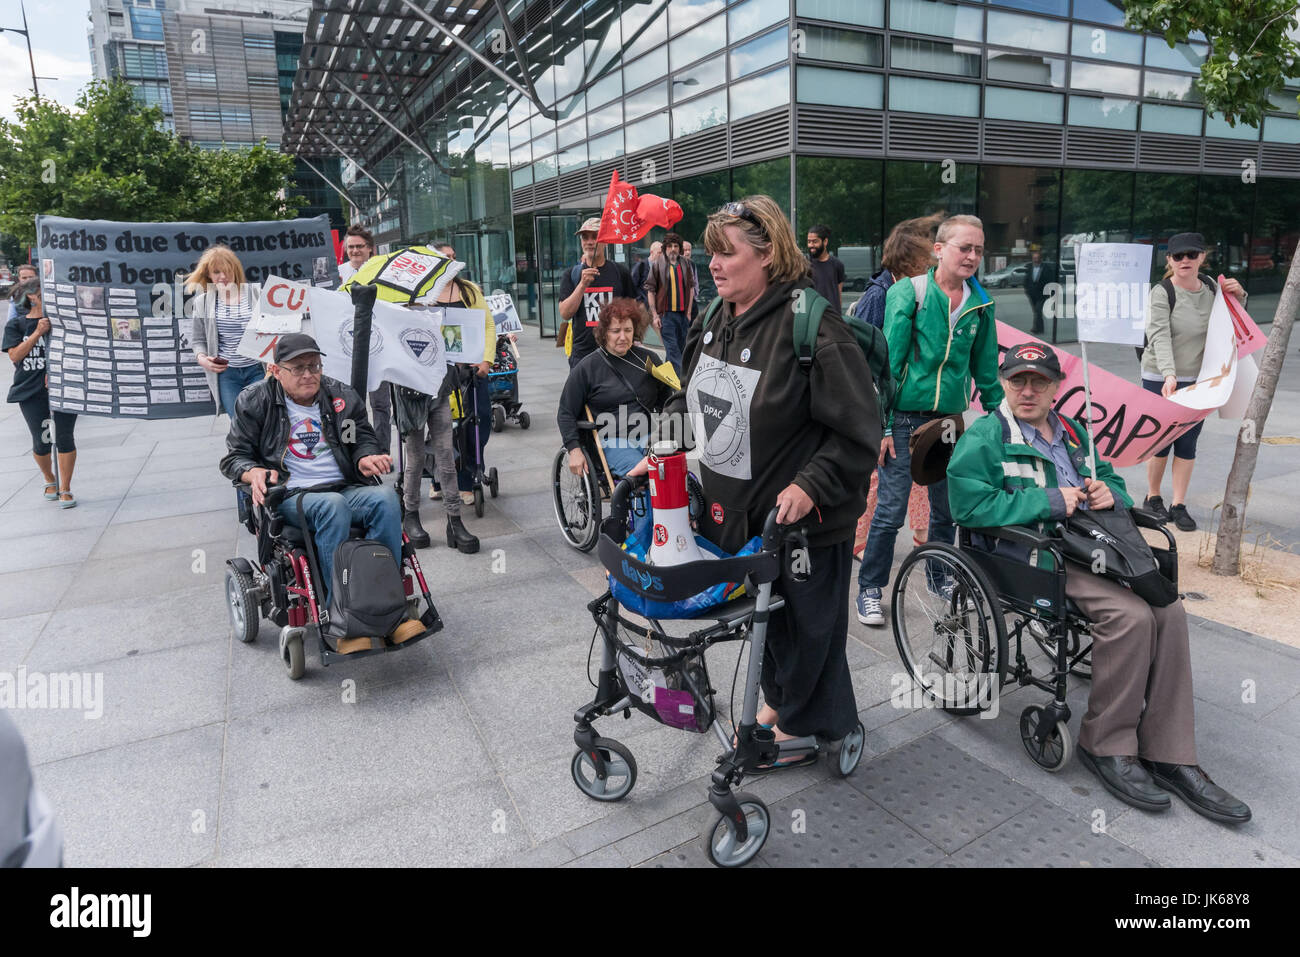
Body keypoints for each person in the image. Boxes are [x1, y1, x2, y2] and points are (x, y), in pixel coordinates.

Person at [947, 342, 1250, 824]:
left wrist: (1112, 491)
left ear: (1055, 387)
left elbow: (1108, 476)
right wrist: (1048, 502)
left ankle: (1169, 751)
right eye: (1018, 380)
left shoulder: (1070, 429)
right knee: (1129, 617)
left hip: (1094, 545)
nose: (1028, 390)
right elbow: (967, 507)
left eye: (1039, 381)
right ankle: (1105, 743)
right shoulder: (985, 436)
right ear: (1003, 383)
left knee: (1168, 609)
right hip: (1034, 557)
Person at [660, 196, 879, 763]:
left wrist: (810, 484)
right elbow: (697, 404)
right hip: (739, 521)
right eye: (710, 253)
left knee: (809, 629)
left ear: (767, 254)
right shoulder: (715, 319)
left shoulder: (811, 323)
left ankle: (807, 726)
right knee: (771, 624)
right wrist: (666, 455)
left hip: (806, 524)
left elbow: (859, 429)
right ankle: (782, 705)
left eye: (725, 253)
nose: (712, 264)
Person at [219, 333, 420, 654]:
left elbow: (360, 437)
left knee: (385, 499)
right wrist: (252, 471)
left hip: (344, 487)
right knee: (333, 506)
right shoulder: (255, 402)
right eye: (298, 368)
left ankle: (388, 608)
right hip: (289, 495)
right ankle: (338, 617)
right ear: (275, 370)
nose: (309, 374)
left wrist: (364, 456)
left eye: (314, 366)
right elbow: (233, 457)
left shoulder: (339, 396)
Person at [856, 214, 1003, 627]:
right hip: (904, 418)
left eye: (978, 249)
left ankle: (940, 578)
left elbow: (987, 370)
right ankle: (870, 587)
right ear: (939, 250)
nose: (972, 256)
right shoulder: (910, 292)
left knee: (946, 510)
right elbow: (887, 365)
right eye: (964, 247)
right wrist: (884, 426)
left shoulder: (981, 303)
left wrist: (1002, 420)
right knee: (890, 509)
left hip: (950, 422)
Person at [1140, 232, 1247, 532]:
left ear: (1202, 257)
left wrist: (1239, 297)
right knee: (1160, 441)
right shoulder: (1162, 292)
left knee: (1187, 442)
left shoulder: (1213, 287)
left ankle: (1179, 504)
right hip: (1160, 377)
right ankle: (1153, 497)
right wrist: (1169, 374)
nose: (1184, 260)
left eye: (1191, 254)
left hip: (1199, 380)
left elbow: (1232, 325)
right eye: (1178, 256)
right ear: (1169, 260)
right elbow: (1159, 335)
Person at [557, 297, 672, 539]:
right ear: (604, 333)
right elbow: (566, 411)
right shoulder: (587, 367)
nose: (623, 336)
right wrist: (574, 449)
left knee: (671, 468)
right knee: (641, 475)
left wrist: (670, 423)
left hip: (647, 433)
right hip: (610, 439)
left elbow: (668, 398)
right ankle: (645, 540)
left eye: (628, 330)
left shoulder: (649, 359)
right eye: (616, 331)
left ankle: (675, 528)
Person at [432, 242, 497, 508]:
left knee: (477, 422)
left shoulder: (469, 290)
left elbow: (488, 324)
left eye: (453, 257)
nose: (451, 261)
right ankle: (440, 477)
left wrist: (487, 359)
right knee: (443, 427)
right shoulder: (425, 292)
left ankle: (468, 474)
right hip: (438, 372)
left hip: (471, 371)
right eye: (444, 257)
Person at [4, 280, 78, 508]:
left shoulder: (62, 323)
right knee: (42, 440)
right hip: (30, 391)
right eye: (43, 293)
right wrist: (37, 332)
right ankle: (49, 478)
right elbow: (15, 356)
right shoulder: (16, 326)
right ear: (33, 297)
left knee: (65, 437)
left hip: (63, 387)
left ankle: (65, 487)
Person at [187, 245, 262, 418]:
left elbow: (277, 329)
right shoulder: (202, 302)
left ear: (235, 270)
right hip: (227, 373)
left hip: (257, 369)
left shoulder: (257, 294)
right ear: (208, 275)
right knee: (238, 422)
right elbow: (198, 340)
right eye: (216, 272)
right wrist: (202, 359)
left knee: (262, 418)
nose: (223, 277)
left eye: (227, 270)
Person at [336, 226, 393, 455]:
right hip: (347, 350)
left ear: (370, 249)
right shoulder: (337, 274)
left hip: (377, 348)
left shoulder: (384, 274)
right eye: (351, 246)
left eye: (360, 246)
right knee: (347, 404)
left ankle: (380, 452)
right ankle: (351, 448)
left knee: (380, 405)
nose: (355, 250)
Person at [557, 217, 637, 367]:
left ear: (605, 241)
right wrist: (582, 285)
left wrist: (631, 340)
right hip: (583, 355)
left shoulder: (620, 272)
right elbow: (565, 313)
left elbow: (634, 310)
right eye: (585, 237)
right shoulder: (571, 274)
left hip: (616, 354)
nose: (589, 241)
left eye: (595, 236)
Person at [643, 231, 696, 376]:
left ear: (679, 248)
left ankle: (666, 381)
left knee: (680, 349)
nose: (673, 249)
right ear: (665, 248)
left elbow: (691, 288)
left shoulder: (686, 264)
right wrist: (655, 315)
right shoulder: (657, 264)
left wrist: (689, 312)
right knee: (673, 351)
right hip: (666, 316)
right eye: (670, 246)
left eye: (675, 246)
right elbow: (650, 291)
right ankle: (681, 384)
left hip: (683, 315)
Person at [806, 224, 846, 315]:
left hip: (832, 317)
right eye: (809, 242)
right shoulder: (805, 265)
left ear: (825, 241)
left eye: (815, 242)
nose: (811, 245)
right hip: (813, 317)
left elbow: (838, 295)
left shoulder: (837, 265)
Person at [1024, 248, 1058, 337]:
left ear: (1040, 259)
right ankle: (1040, 328)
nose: (1035, 260)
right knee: (1036, 311)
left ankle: (1036, 328)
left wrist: (1051, 292)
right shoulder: (1030, 267)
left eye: (1036, 258)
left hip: (1042, 294)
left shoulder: (1046, 268)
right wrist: (1027, 290)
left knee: (1038, 310)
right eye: (1034, 258)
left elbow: (1051, 280)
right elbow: (1026, 279)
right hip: (1032, 294)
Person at [629, 241, 659, 309]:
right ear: (652, 252)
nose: (661, 255)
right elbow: (632, 286)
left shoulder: (663, 267)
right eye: (659, 253)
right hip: (645, 307)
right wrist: (640, 301)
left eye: (663, 253)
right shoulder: (641, 266)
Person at [681, 240, 701, 322]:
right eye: (685, 250)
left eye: (689, 250)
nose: (688, 252)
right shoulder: (676, 265)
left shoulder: (692, 263)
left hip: (692, 301)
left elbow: (696, 281)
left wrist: (695, 297)